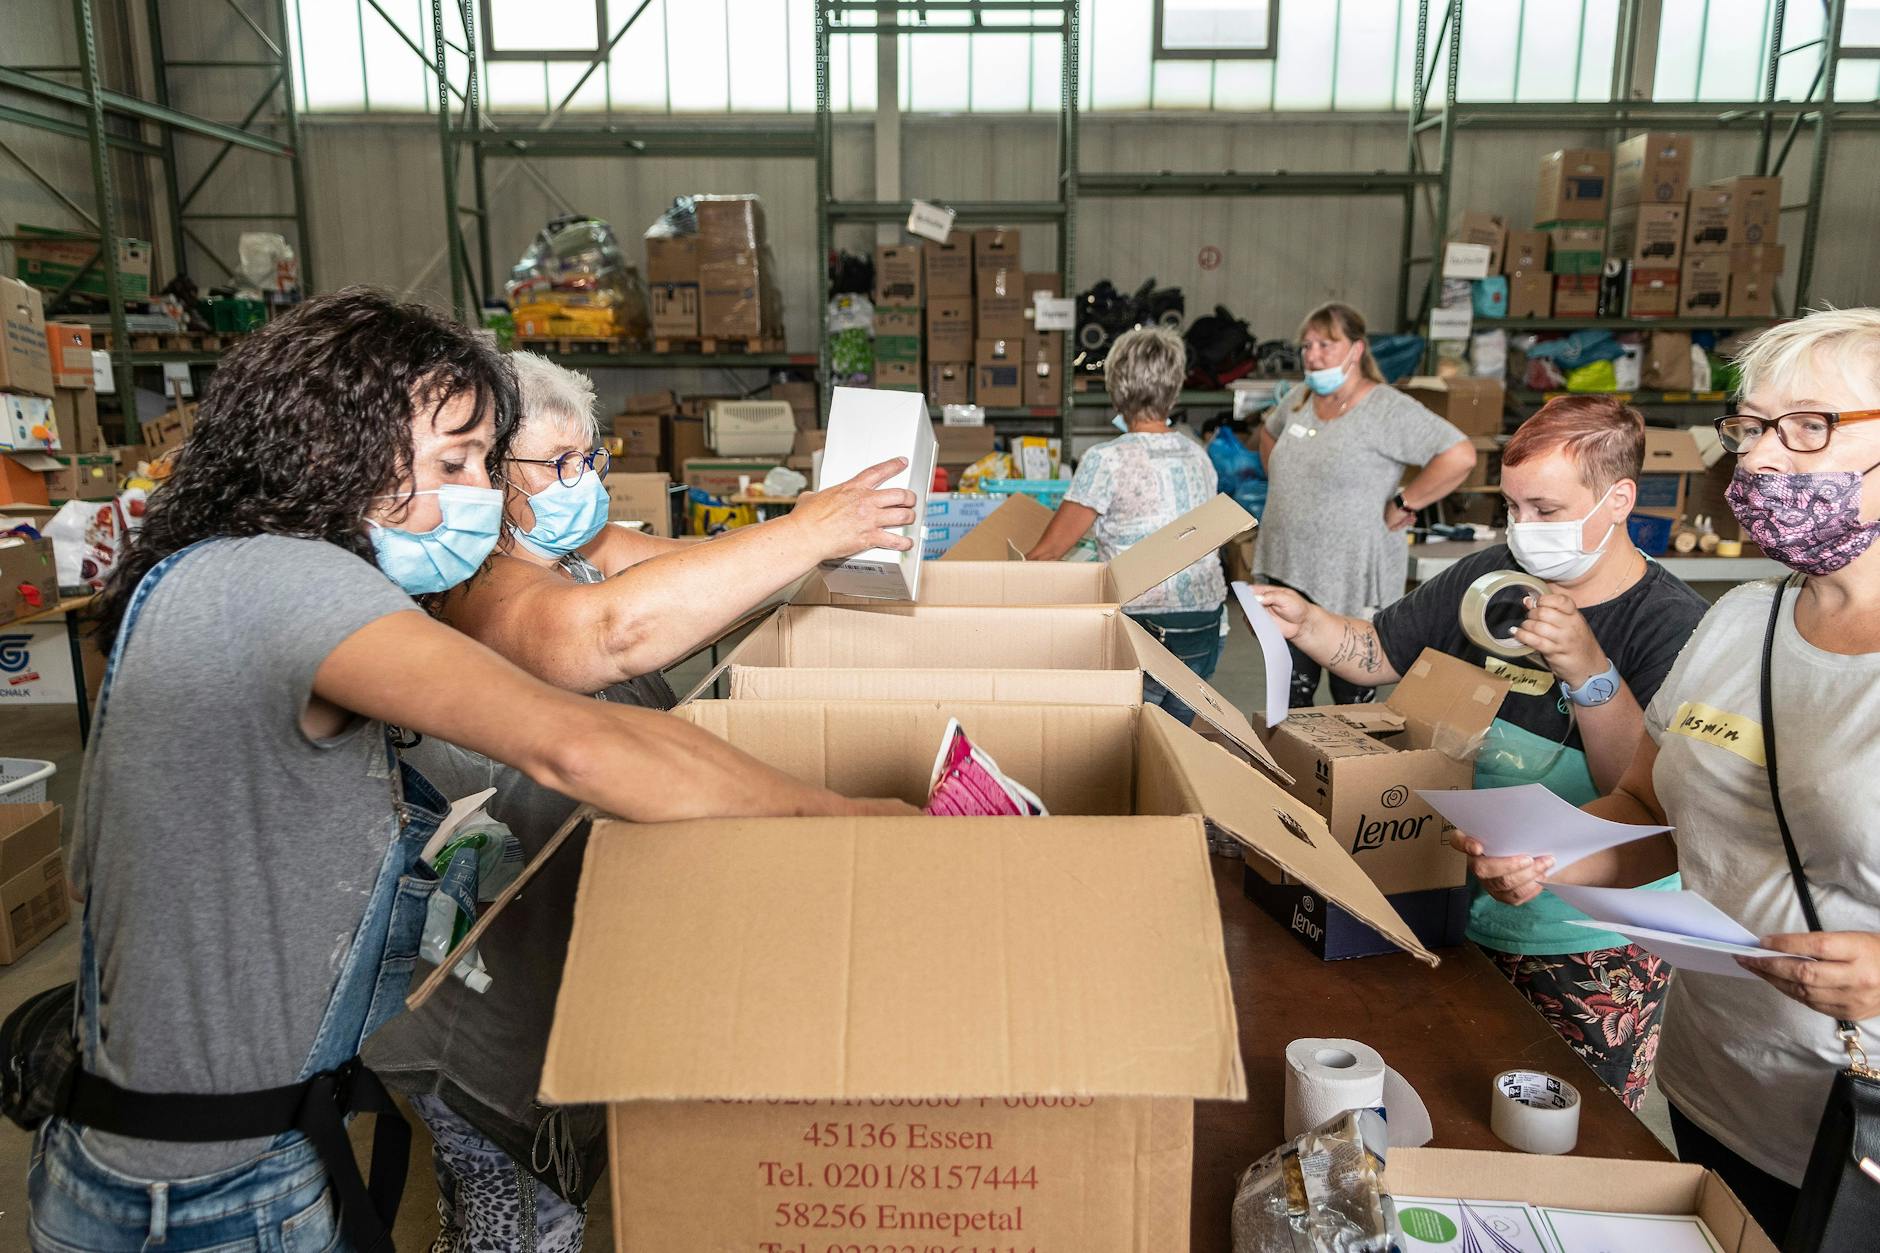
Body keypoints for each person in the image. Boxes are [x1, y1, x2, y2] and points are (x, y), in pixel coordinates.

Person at [28, 289, 912, 1253]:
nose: (481, 496)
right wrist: (837, 816)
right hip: (206, 1189)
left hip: (176, 1147)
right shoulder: (291, 582)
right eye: (454, 462)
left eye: (489, 463)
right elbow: (571, 740)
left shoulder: (218, 569)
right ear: (338, 447)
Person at [365, 352, 918, 1251]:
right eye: (555, 465)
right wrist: (814, 528)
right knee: (514, 1225)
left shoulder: (573, 549)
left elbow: (699, 571)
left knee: (561, 1200)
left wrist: (830, 543)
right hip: (470, 1002)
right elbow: (608, 635)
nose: (581, 483)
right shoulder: (467, 586)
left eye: (591, 458)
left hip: (560, 958)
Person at [1459, 308, 1880, 1245]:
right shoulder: (1739, 625)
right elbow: (1650, 811)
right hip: (1715, 1089)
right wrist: (1554, 854)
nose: (1763, 462)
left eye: (1810, 425)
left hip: (1857, 1130)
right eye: (1753, 428)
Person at [1250, 394, 1707, 1110]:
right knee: (1448, 1098)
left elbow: (1642, 796)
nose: (1523, 530)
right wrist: (1308, 621)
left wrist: (1589, 669)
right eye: (1513, 507)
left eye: (1546, 510)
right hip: (1462, 907)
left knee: (1562, 1134)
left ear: (1617, 499)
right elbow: (1378, 652)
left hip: (1582, 942)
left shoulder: (1673, 627)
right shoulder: (1488, 579)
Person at [1256, 301, 1477, 706]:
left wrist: (1407, 499)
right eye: (1307, 346)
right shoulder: (1301, 398)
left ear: (1357, 349)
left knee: (1351, 699)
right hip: (1288, 565)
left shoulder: (1386, 408)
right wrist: (1287, 481)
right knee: (1286, 696)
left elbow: (1459, 454)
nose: (1313, 355)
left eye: (1326, 344)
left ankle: (1349, 772)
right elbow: (1268, 434)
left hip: (1351, 574)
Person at [1026, 325, 1227, 717]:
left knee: (1128, 737)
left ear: (1115, 386)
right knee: (1169, 743)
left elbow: (1048, 552)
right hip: (1204, 628)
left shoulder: (1106, 459)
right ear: (1174, 388)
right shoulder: (1198, 454)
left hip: (1145, 631)